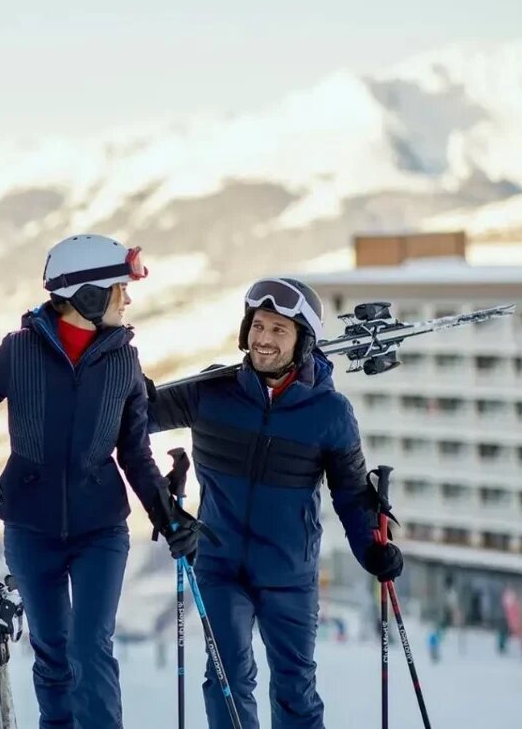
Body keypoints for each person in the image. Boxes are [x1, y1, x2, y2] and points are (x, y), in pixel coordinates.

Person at [0, 234, 202, 729]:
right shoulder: (19, 352)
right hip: (30, 529)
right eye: (119, 289)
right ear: (88, 295)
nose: (127, 298)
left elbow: (135, 453)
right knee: (52, 653)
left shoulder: (124, 361)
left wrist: (168, 517)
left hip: (100, 529)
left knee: (89, 647)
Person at [145, 277, 404, 729]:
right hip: (220, 565)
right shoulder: (210, 392)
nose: (263, 339)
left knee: (295, 690)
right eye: (258, 326)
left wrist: (372, 549)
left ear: (303, 340)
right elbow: (135, 417)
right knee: (227, 679)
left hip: (289, 573)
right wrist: (114, 385)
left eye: (278, 330)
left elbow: (349, 492)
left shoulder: (329, 413)